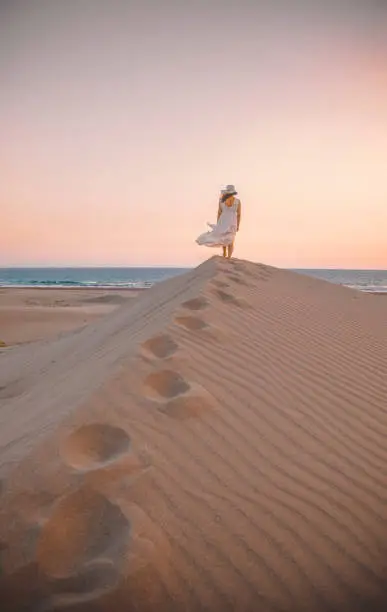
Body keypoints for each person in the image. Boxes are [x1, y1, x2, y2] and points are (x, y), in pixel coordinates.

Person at [196, 185, 241, 258]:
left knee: (222, 236)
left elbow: (219, 213)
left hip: (223, 220)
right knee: (230, 239)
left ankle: (224, 254)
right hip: (233, 221)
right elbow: (239, 214)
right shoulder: (238, 201)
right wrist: (238, 225)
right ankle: (228, 257)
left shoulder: (221, 201)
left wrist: (218, 224)